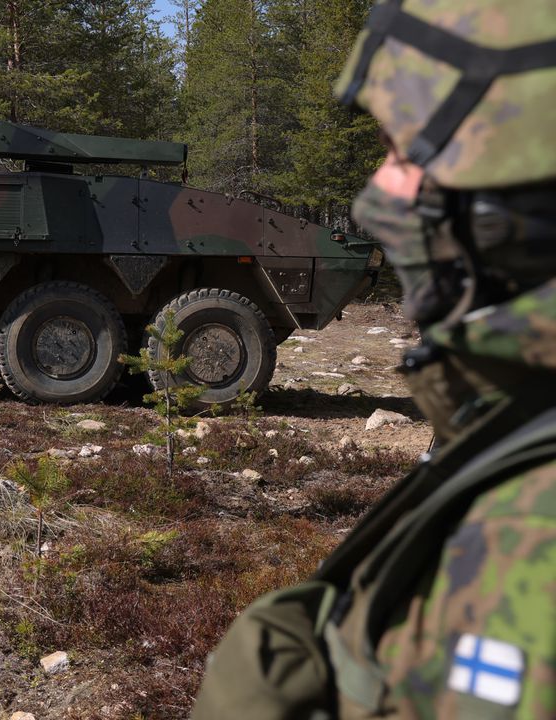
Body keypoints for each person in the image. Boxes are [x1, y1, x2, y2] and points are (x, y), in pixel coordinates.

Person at [192, 2, 556, 718]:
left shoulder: (529, 531)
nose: (374, 199)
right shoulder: (508, 428)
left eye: (404, 153)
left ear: (512, 200)